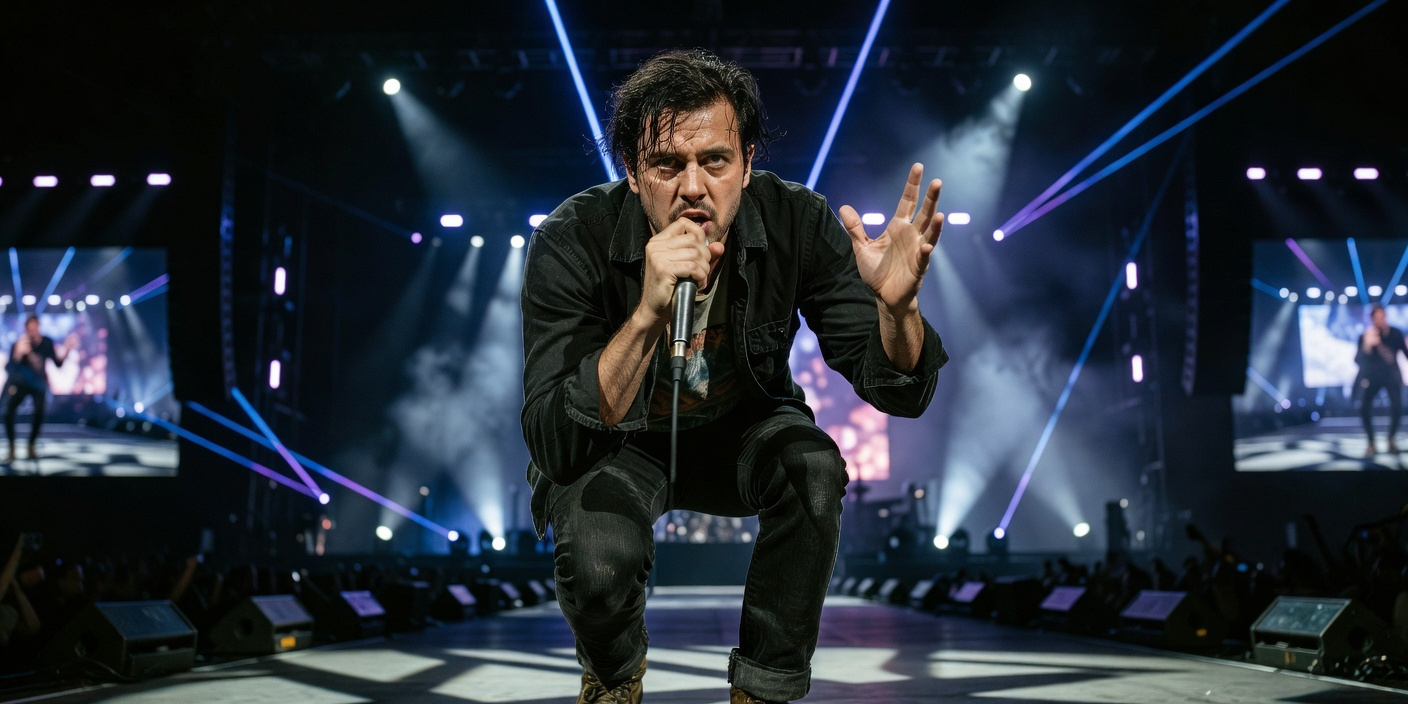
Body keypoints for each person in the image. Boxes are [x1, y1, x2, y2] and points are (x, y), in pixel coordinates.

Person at [520, 49, 948, 703]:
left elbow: (896, 391)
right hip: (623, 444)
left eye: (715, 161)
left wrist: (897, 312)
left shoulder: (796, 220)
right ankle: (613, 676)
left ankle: (763, 689)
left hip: (743, 431)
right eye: (667, 164)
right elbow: (555, 443)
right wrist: (647, 314)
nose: (693, 187)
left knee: (813, 467)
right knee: (597, 563)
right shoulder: (572, 237)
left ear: (747, 164)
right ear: (632, 171)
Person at [4, 315, 76, 463]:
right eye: (29, 329)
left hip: (38, 385)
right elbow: (9, 367)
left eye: (34, 328)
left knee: (39, 414)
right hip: (21, 384)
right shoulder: (19, 343)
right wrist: (18, 354)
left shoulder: (46, 342)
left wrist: (67, 348)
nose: (32, 332)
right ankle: (12, 448)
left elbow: (58, 364)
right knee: (8, 412)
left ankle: (31, 446)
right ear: (26, 329)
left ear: (39, 327)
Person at [1355, 305, 1406, 455]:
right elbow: (1358, 360)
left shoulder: (1395, 333)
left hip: (1392, 376)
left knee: (1397, 408)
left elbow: (1405, 353)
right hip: (1372, 377)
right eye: (1376, 318)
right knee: (1364, 407)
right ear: (1372, 319)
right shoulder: (1366, 336)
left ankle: (1391, 439)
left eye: (1381, 316)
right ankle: (1371, 442)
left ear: (1385, 316)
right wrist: (1367, 345)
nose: (1379, 320)